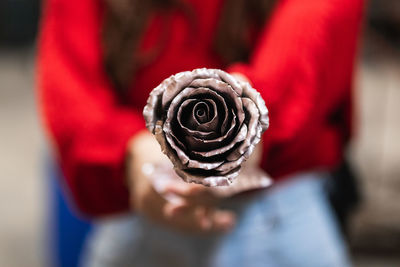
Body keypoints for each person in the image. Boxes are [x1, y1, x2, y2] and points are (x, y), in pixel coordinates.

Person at [37, 0, 364, 266]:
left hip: (271, 208)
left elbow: (316, 24)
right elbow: (71, 85)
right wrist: (132, 151)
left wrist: (254, 114)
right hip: (145, 202)